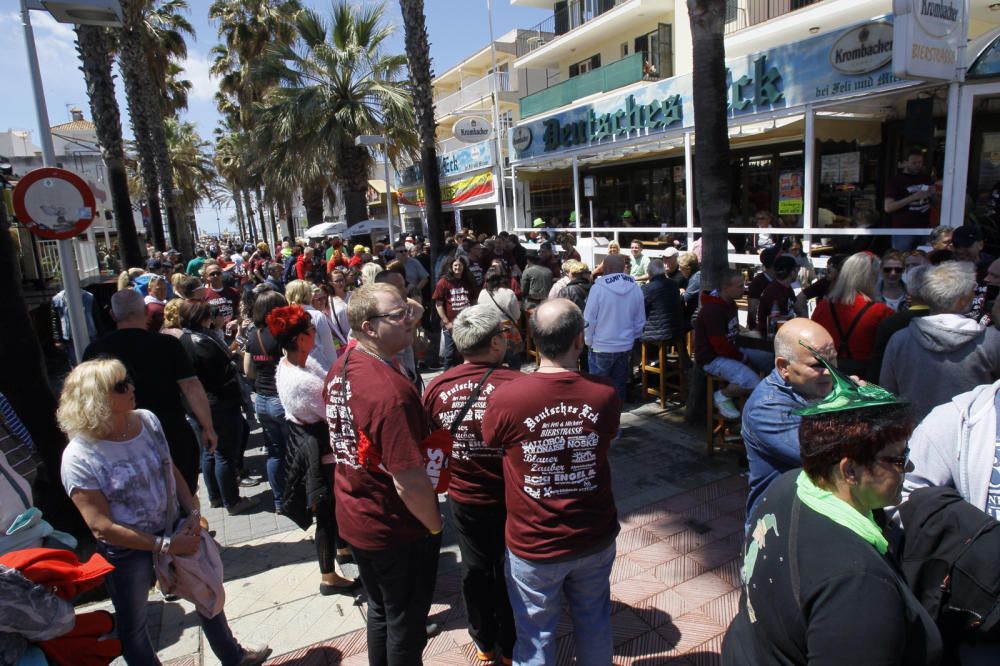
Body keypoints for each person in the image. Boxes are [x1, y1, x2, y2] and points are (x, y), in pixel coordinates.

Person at [722, 357, 942, 665]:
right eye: (896, 458)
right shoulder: (858, 587)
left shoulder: (786, 485)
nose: (910, 466)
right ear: (849, 470)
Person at [58, 358, 271, 666]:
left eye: (128, 380)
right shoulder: (80, 455)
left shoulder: (145, 421)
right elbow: (100, 526)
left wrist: (193, 513)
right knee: (134, 627)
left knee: (206, 593)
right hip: (127, 551)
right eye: (120, 386)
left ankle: (234, 656)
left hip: (175, 529)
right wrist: (165, 546)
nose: (131, 387)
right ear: (96, 399)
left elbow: (168, 469)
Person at [481, 298, 621, 666]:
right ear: (580, 340)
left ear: (533, 340)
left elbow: (492, 442)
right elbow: (608, 438)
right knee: (593, 623)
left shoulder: (506, 397)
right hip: (592, 533)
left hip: (534, 541)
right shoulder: (604, 392)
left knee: (536, 634)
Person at [325, 284, 442, 665]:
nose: (409, 319)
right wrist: (435, 525)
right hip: (393, 526)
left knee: (382, 612)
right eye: (398, 315)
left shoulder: (343, 364)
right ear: (369, 327)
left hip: (357, 514)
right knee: (405, 627)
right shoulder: (389, 391)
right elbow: (407, 477)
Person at [422, 305, 522, 664]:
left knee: (476, 567)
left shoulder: (436, 388)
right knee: (513, 570)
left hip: (465, 497)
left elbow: (431, 444)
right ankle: (511, 644)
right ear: (496, 343)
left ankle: (484, 639)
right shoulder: (519, 384)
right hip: (513, 496)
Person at [83, 289, 212, 496]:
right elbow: (191, 387)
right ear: (145, 311)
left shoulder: (94, 351)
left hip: (121, 440)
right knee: (183, 494)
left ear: (113, 315)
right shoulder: (167, 344)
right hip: (169, 432)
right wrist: (207, 426)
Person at [268, 305, 359, 595]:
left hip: (314, 440)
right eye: (309, 330)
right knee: (327, 513)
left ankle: (343, 548)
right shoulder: (302, 380)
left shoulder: (294, 363)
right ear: (298, 339)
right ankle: (328, 576)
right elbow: (334, 410)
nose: (314, 333)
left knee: (332, 509)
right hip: (319, 448)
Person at [741, 318, 837, 524]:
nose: (830, 372)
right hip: (778, 526)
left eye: (833, 360)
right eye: (817, 365)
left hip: (813, 516)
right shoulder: (766, 408)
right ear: (784, 367)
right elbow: (829, 455)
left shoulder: (813, 386)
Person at [880, 261, 1000, 424]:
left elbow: (888, 394)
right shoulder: (990, 341)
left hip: (915, 434)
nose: (975, 295)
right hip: (971, 436)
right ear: (962, 300)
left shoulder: (900, 340)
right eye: (972, 290)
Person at [178, 301, 258, 515]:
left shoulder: (183, 339)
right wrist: (234, 360)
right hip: (218, 402)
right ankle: (232, 501)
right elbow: (222, 371)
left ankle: (215, 496)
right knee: (224, 453)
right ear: (203, 318)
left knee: (210, 452)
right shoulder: (202, 341)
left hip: (199, 403)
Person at [695, 268, 772, 420]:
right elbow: (720, 346)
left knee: (770, 359)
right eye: (739, 286)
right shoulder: (712, 310)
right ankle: (722, 395)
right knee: (752, 381)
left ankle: (765, 405)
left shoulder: (730, 304)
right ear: (725, 288)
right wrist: (744, 358)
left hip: (731, 349)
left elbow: (733, 335)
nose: (744, 290)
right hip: (712, 357)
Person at [810, 252, 893, 380]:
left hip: (830, 376)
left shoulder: (823, 306)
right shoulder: (882, 312)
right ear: (872, 278)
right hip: (866, 380)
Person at [243, 290, 289, 512]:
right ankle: (298, 499)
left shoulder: (254, 336)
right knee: (293, 451)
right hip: (282, 399)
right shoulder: (282, 335)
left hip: (262, 400)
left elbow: (247, 371)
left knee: (274, 453)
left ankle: (279, 501)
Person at [583, 253, 645, 402]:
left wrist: (588, 341)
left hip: (601, 345)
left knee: (598, 388)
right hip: (624, 346)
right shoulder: (635, 287)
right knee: (618, 386)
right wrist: (631, 337)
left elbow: (589, 319)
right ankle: (615, 421)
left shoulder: (598, 288)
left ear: (606, 268)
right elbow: (640, 320)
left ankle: (600, 422)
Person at [885, 147, 936, 251]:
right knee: (901, 259)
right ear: (905, 163)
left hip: (924, 228)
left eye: (920, 162)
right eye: (914, 163)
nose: (918, 165)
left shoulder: (925, 178)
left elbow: (934, 202)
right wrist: (913, 197)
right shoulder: (896, 181)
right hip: (903, 229)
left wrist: (933, 194)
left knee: (924, 258)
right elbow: (888, 208)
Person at [433, 255, 479, 371]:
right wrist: (446, 322)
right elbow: (438, 304)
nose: (457, 267)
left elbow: (474, 300)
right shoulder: (443, 282)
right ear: (451, 267)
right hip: (451, 323)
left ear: (464, 267)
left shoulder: (468, 281)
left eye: (460, 265)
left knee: (468, 350)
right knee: (450, 353)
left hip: (467, 322)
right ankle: (447, 375)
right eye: (455, 265)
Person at [285, 279, 338, 371]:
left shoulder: (285, 318)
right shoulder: (317, 315)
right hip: (320, 369)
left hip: (297, 369)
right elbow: (329, 349)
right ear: (309, 294)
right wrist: (336, 371)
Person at [478, 266, 521, 369]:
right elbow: (517, 315)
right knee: (514, 360)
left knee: (494, 360)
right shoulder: (509, 293)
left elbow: (481, 314)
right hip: (508, 332)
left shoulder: (482, 293)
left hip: (491, 331)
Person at [51, 287, 98, 367]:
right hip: (69, 337)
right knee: (75, 363)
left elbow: (97, 317)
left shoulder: (89, 297)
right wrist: (57, 339)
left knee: (93, 361)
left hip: (90, 335)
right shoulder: (57, 299)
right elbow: (55, 320)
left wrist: (101, 334)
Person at [640, 258, 683, 344]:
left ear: (649, 273)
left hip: (653, 332)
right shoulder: (674, 285)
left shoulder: (646, 288)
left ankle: (640, 357)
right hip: (676, 329)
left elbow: (639, 308)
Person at [755, 255, 798, 337]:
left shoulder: (787, 288)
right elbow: (777, 322)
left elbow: (795, 307)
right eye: (797, 269)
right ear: (792, 272)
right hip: (773, 339)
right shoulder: (773, 292)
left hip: (784, 334)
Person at [746, 247, 780, 332]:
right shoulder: (758, 282)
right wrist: (754, 329)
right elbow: (752, 310)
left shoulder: (779, 280)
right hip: (763, 328)